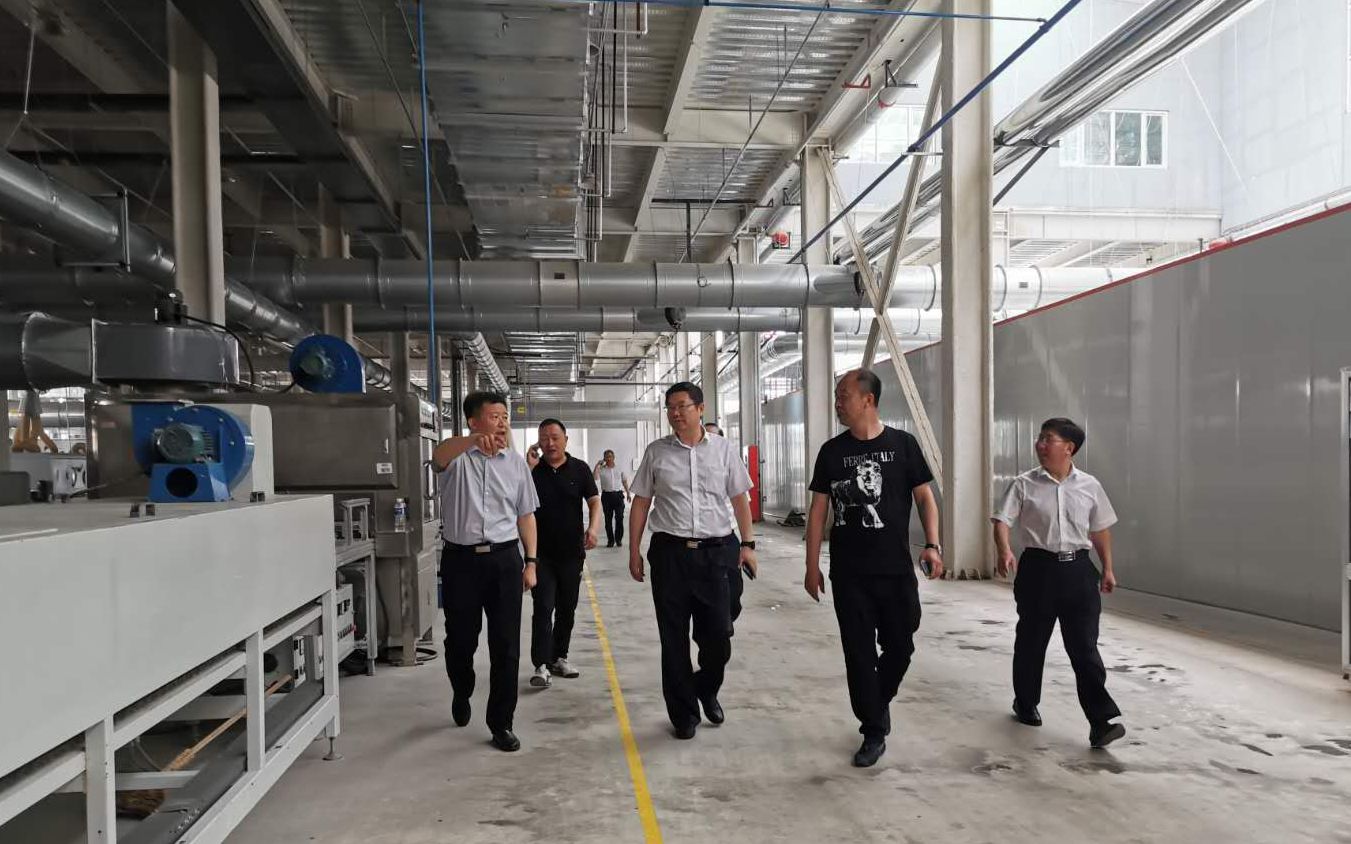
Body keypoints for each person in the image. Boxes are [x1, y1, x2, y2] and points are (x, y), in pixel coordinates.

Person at [803, 369, 944, 768]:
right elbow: (818, 511)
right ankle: (873, 729)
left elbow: (924, 498)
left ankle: (876, 700)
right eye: (836, 396)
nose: (837, 403)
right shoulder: (832, 452)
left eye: (843, 395)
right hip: (849, 573)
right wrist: (811, 566)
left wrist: (932, 545)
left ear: (868, 400)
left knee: (902, 643)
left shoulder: (903, 445)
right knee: (859, 653)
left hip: (896, 568)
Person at [629, 381, 757, 740]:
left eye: (682, 406)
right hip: (669, 554)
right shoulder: (656, 452)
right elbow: (641, 502)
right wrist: (634, 550)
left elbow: (740, 498)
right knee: (673, 639)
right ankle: (683, 714)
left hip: (716, 552)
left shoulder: (723, 450)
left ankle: (706, 687)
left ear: (700, 409)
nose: (675, 413)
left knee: (718, 636)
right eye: (670, 407)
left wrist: (748, 545)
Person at [992, 417, 1125, 749]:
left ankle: (1100, 721)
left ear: (1069, 448)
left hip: (1079, 571)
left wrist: (1107, 568)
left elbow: (1100, 529)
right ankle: (1025, 701)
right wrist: (1004, 550)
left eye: (1047, 439)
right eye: (1039, 438)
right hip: (1038, 570)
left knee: (1084, 647)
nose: (1040, 444)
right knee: (1032, 641)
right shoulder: (1023, 484)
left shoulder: (1090, 485)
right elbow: (1002, 520)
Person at [431, 391, 539, 753]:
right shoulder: (457, 460)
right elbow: (438, 455)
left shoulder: (516, 464)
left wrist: (531, 561)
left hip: (504, 559)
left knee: (506, 645)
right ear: (473, 421)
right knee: (461, 640)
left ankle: (501, 722)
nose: (502, 422)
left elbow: (526, 515)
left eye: (505, 416)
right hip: (461, 561)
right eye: (494, 416)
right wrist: (472, 442)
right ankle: (462, 690)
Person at [525, 419, 601, 688]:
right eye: (544, 438)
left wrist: (593, 529)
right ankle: (541, 664)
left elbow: (594, 501)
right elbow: (519, 503)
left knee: (567, 609)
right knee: (543, 608)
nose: (550, 443)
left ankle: (559, 657)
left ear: (566, 439)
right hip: (541, 555)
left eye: (555, 437)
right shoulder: (532, 470)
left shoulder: (579, 469)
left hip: (571, 554)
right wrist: (529, 468)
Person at [594, 450, 631, 548]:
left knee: (619, 518)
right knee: (608, 519)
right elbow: (595, 477)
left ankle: (618, 539)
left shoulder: (620, 468)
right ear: (604, 458)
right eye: (607, 457)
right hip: (606, 496)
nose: (609, 458)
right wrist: (597, 465)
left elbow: (624, 481)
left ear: (614, 457)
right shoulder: (601, 469)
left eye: (610, 456)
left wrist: (628, 493)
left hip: (618, 495)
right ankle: (610, 540)